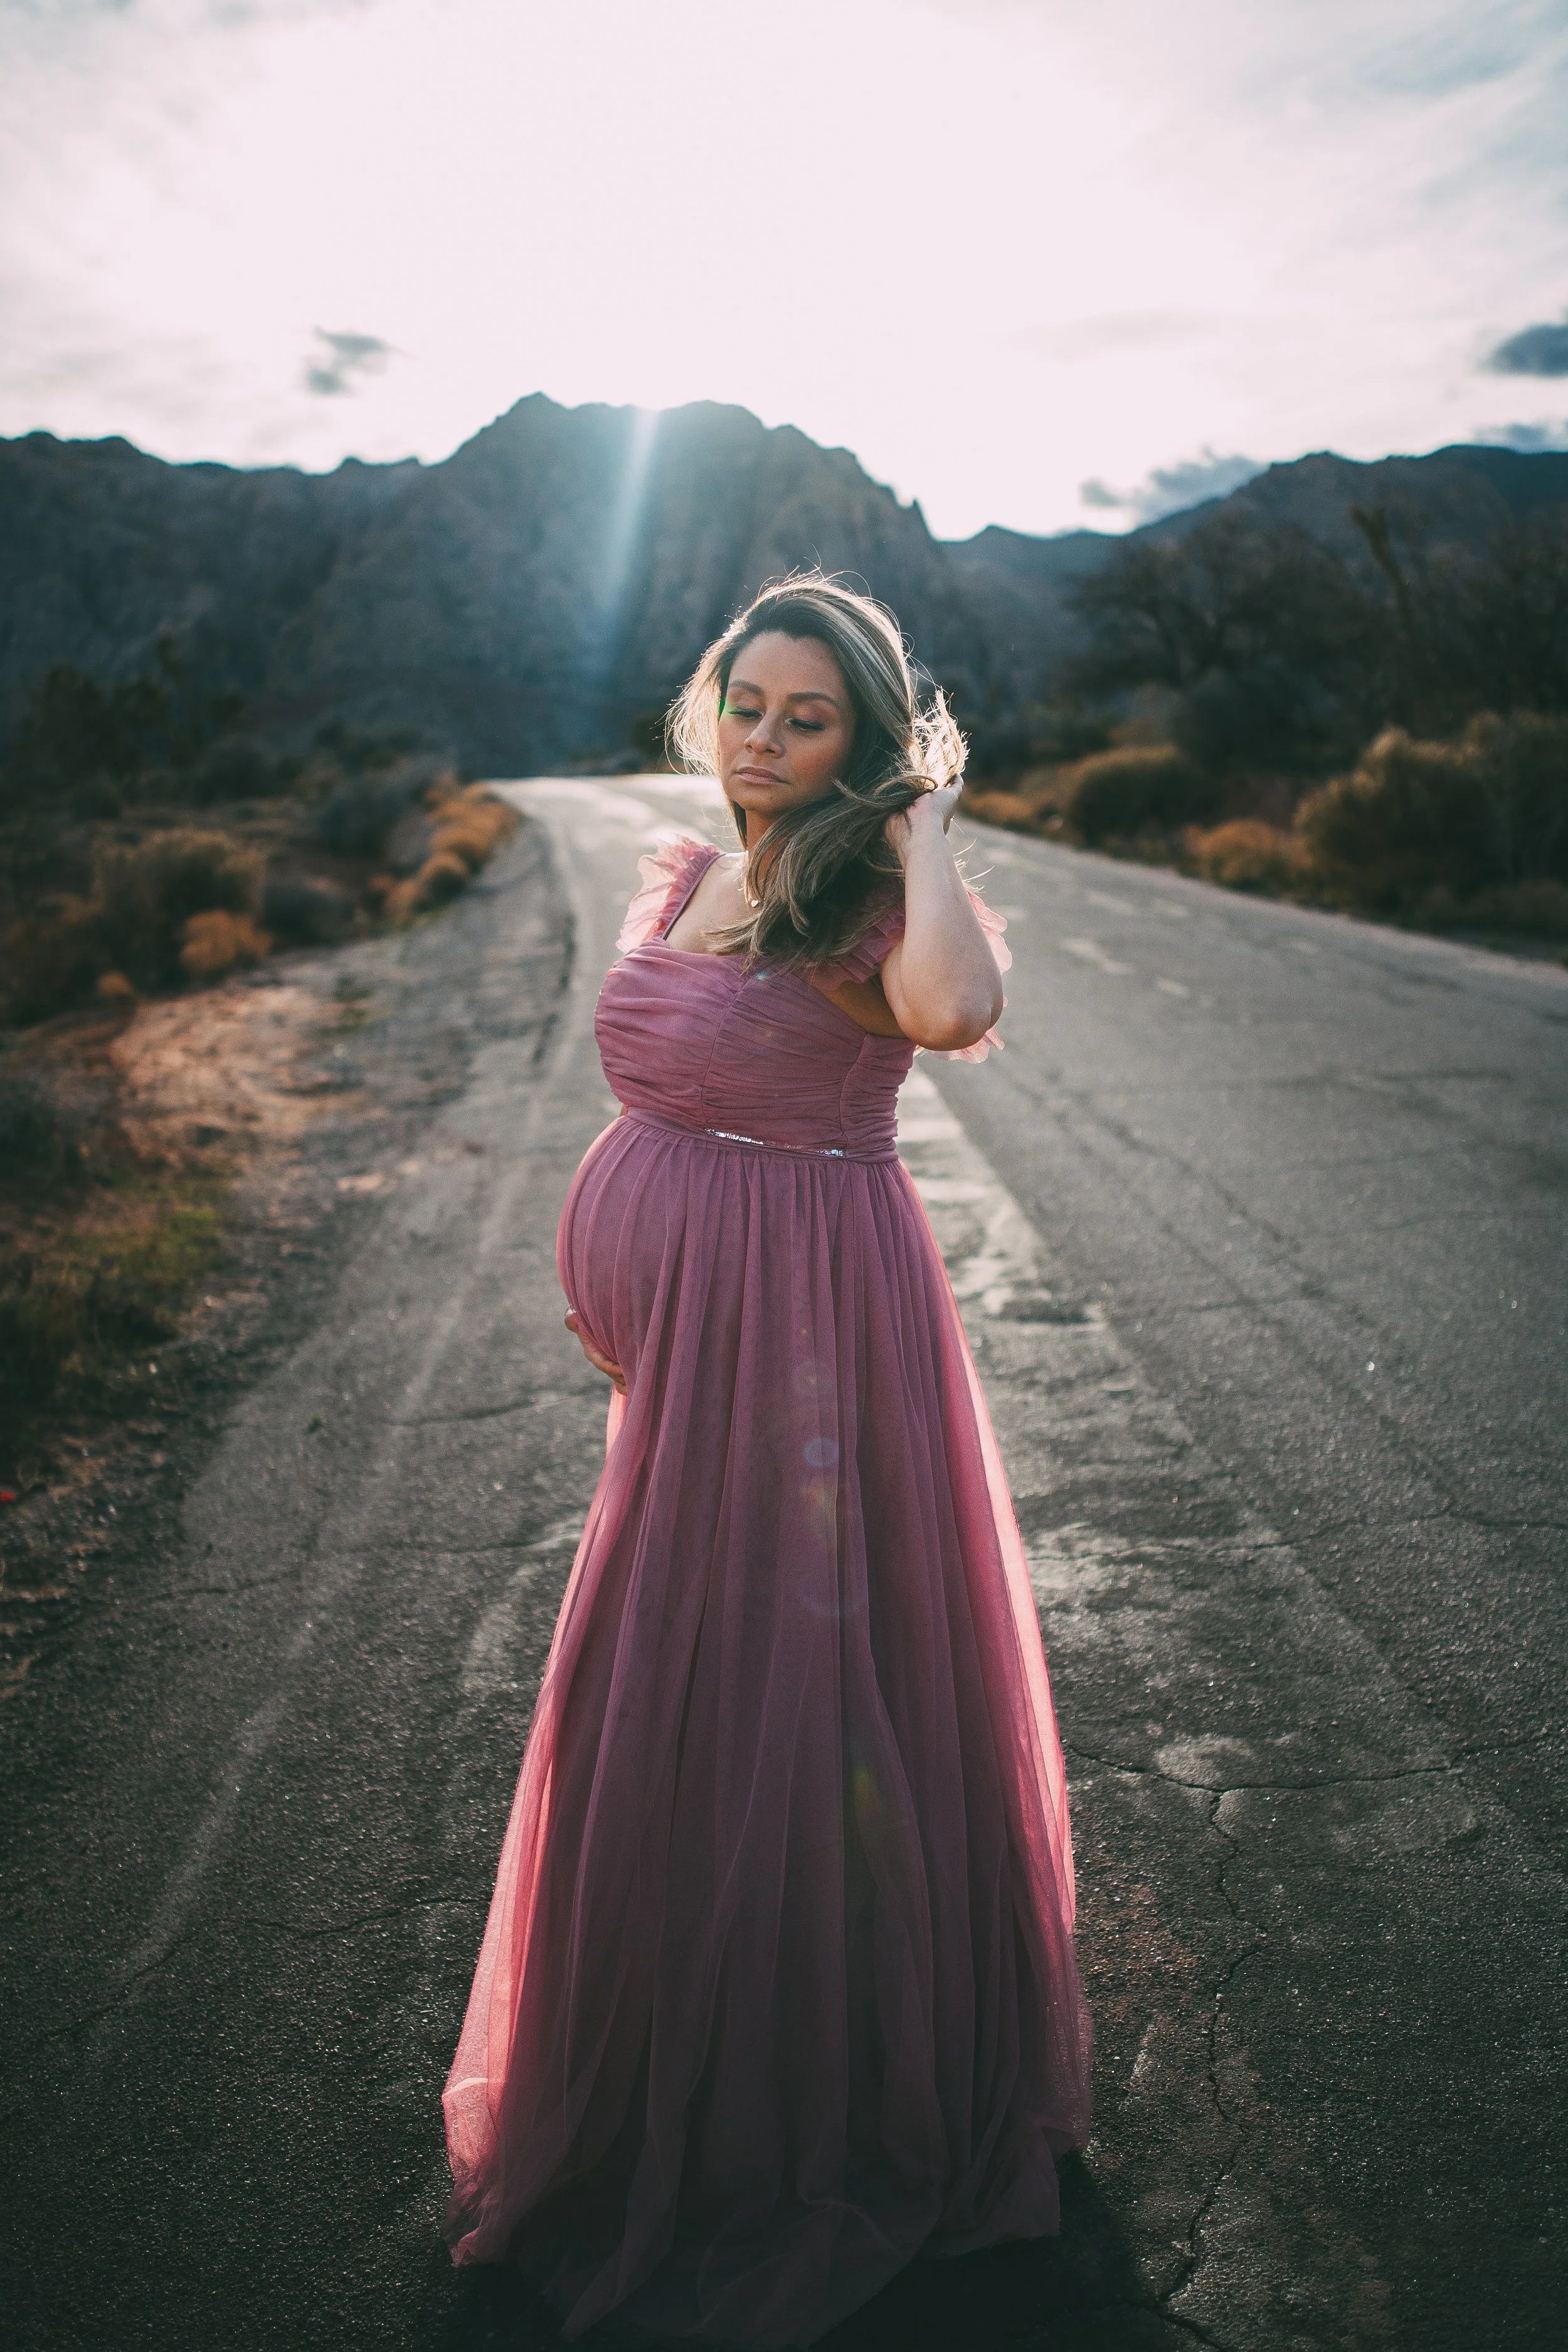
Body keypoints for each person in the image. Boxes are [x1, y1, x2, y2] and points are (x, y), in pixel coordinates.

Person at [443, 575, 1092, 2346]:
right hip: (688, 1348)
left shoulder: (876, 889)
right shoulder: (684, 867)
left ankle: (822, 2084)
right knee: (683, 1661)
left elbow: (953, 1016)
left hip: (816, 1322)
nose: (765, 738)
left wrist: (932, 825)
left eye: (809, 716)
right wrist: (629, 1278)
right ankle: (672, 2046)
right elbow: (661, 1093)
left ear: (866, 738)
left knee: (818, 1674)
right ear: (708, 702)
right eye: (747, 703)